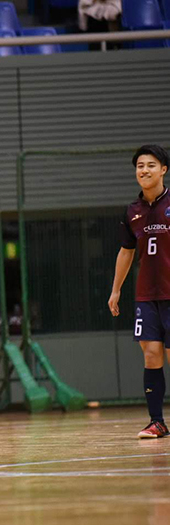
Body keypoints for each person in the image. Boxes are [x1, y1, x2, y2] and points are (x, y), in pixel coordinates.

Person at [109, 144, 170, 439]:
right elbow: (126, 251)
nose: (144, 170)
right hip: (146, 295)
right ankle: (157, 422)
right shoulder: (132, 211)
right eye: (140, 166)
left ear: (163, 170)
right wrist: (116, 290)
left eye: (151, 165)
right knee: (151, 355)